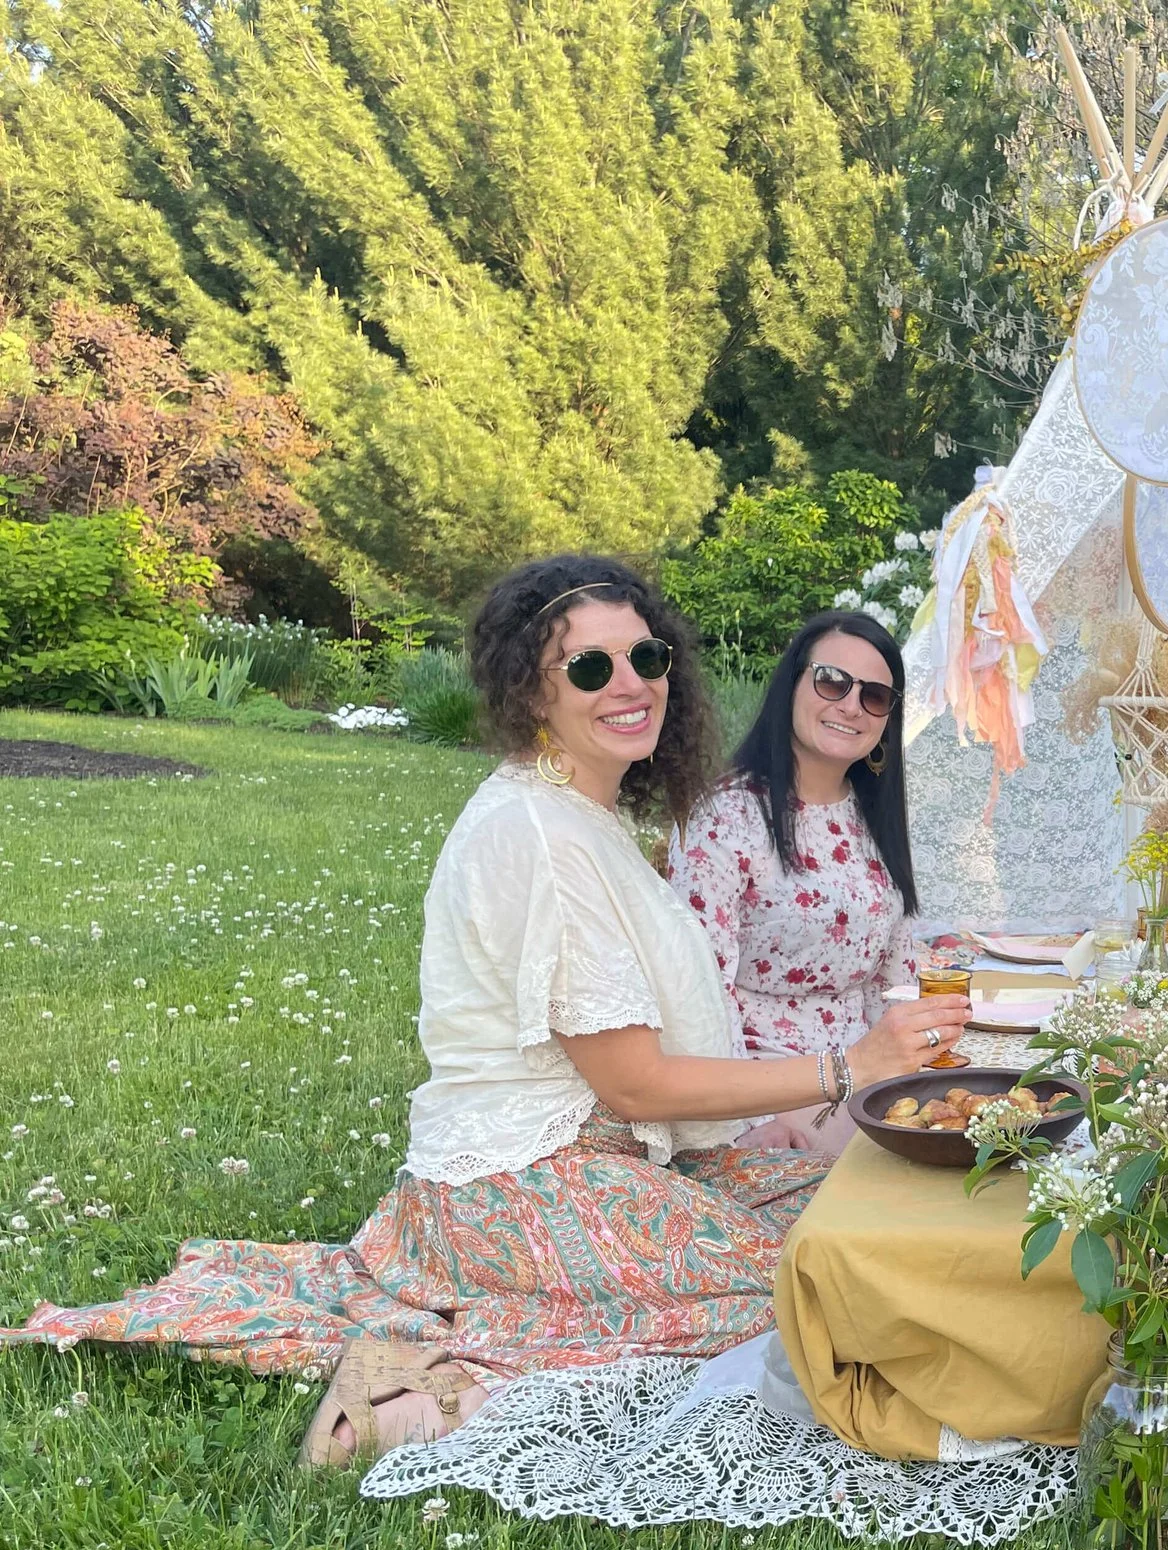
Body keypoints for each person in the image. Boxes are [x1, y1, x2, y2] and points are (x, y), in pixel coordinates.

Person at [0, 555, 971, 1466]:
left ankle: (484, 1319)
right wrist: (849, 1069)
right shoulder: (537, 832)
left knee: (842, 1213)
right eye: (588, 666)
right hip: (520, 1185)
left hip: (606, 1163)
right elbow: (635, 1087)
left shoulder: (576, 810)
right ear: (531, 689)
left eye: (646, 657)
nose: (630, 684)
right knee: (818, 1282)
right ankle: (418, 1383)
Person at [672, 611, 940, 1153]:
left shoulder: (872, 816)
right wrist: (748, 1123)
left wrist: (918, 1078)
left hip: (870, 1085)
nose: (851, 706)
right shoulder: (726, 817)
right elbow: (699, 993)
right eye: (832, 681)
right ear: (791, 685)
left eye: (875, 696)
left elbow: (891, 978)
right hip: (765, 1097)